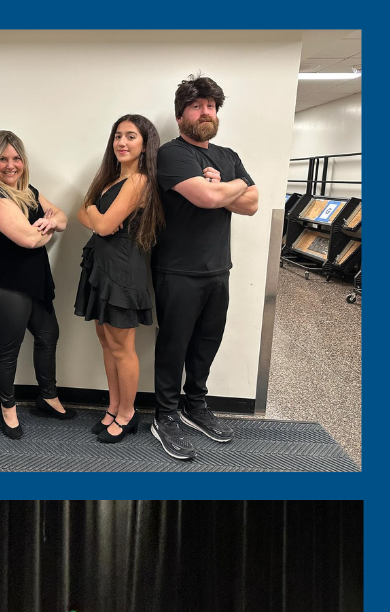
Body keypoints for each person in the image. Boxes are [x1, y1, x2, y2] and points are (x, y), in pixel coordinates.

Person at [148, 76, 259, 461]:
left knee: (206, 344)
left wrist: (228, 185)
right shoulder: (172, 154)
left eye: (211, 106)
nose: (205, 112)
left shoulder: (227, 155)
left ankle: (195, 405)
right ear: (181, 115)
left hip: (218, 268)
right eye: (197, 106)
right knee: (173, 346)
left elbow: (252, 204)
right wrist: (235, 184)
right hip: (177, 270)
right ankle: (164, 415)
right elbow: (209, 197)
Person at [0, 130, 72, 440]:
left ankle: (47, 397)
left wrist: (53, 221)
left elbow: (63, 217)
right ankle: (7, 407)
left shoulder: (28, 190)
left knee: (48, 334)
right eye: (2, 158)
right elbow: (29, 239)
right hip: (3, 281)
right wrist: (49, 227)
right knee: (9, 347)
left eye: (16, 157)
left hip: (33, 276)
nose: (10, 164)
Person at [75, 114, 164, 444]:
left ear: (144, 145)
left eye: (130, 136)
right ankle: (114, 406)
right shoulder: (109, 178)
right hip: (103, 264)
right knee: (106, 339)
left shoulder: (139, 181)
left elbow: (99, 223)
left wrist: (96, 218)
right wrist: (97, 218)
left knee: (123, 347)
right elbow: (82, 211)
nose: (122, 143)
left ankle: (128, 414)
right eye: (117, 136)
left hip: (124, 268)